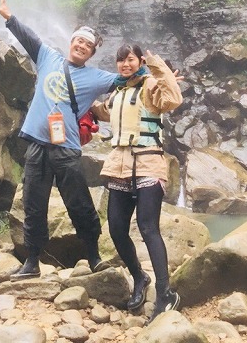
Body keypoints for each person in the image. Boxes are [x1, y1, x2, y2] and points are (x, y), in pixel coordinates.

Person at [0, 0, 116, 279]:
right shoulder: (48, 56)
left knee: (80, 203)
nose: (82, 46)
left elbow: (126, 79)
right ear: (71, 41)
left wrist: (153, 74)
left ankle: (94, 256)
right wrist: (9, 17)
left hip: (66, 149)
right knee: (33, 204)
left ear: (91, 53)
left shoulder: (97, 78)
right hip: (38, 145)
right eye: (79, 41)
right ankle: (32, 262)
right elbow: (29, 38)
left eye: (87, 45)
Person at [92, 43, 183, 322]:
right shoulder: (118, 92)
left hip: (148, 163)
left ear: (140, 61)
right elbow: (101, 111)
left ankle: (166, 293)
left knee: (148, 227)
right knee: (117, 229)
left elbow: (173, 99)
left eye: (130, 59)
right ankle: (139, 277)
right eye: (120, 60)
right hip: (119, 166)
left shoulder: (150, 85)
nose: (125, 64)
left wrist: (157, 66)